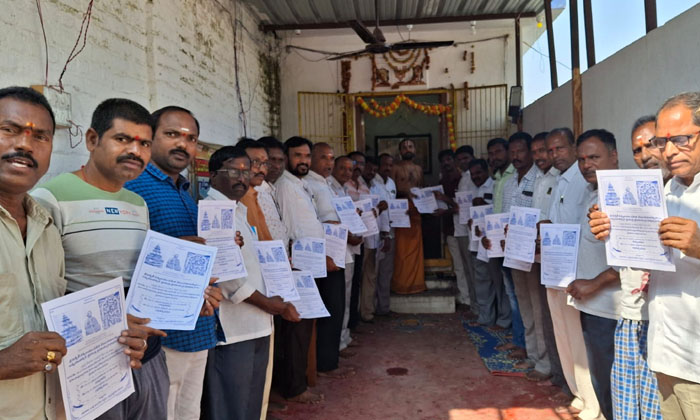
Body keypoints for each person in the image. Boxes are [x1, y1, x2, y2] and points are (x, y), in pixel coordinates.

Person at [33, 98, 200, 419]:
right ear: (93, 139)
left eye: (144, 143)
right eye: (123, 139)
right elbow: (43, 291)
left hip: (145, 352)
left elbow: (140, 277)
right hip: (89, 359)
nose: (135, 152)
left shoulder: (137, 203)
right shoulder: (51, 198)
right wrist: (111, 319)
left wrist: (191, 292)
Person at [590, 93, 700, 419]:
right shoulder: (666, 192)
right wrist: (613, 230)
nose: (667, 151)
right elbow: (644, 257)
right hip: (665, 353)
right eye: (662, 142)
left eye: (680, 139)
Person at [125, 106, 223, 420]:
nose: (183, 144)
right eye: (172, 135)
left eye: (191, 138)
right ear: (150, 138)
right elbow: (124, 258)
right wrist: (177, 249)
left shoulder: (185, 190)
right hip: (161, 336)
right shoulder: (133, 187)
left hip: (200, 326)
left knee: (189, 412)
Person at [201, 145, 300, 420]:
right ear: (213, 175)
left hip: (258, 321)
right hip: (234, 327)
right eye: (234, 170)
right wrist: (270, 304)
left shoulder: (238, 211)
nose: (243, 177)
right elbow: (229, 278)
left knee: (253, 401)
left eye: (247, 171)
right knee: (232, 404)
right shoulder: (212, 210)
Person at [587, 117, 664, 420]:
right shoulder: (626, 194)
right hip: (631, 317)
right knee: (628, 406)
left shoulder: (682, 197)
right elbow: (622, 260)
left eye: (653, 144)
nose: (645, 155)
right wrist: (606, 226)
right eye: (638, 149)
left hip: (663, 322)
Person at [0, 86, 67, 420]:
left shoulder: (48, 228)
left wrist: (115, 334)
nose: (24, 144)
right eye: (8, 130)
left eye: (40, 136)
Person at [543, 128, 601, 420]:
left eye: (560, 149)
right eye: (550, 150)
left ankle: (593, 399)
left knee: (579, 338)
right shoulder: (557, 179)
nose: (555, 155)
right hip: (556, 266)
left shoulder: (584, 180)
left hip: (578, 272)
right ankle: (578, 391)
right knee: (562, 333)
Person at [566, 129, 622, 420]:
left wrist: (595, 283)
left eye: (594, 157)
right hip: (593, 306)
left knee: (613, 386)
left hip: (612, 309)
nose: (586, 164)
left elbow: (634, 258)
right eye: (582, 159)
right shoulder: (592, 193)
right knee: (601, 378)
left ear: (614, 156)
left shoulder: (619, 195)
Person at [273, 136, 324, 404]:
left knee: (303, 327)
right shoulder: (285, 186)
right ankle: (294, 387)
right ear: (286, 156)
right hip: (297, 264)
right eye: (297, 156)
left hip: (309, 263)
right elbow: (291, 230)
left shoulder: (301, 185)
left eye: (306, 156)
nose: (303, 161)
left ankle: (298, 380)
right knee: (296, 327)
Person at [499, 133, 550, 373]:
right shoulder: (510, 183)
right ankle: (531, 354)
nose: (516, 156)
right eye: (513, 152)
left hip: (535, 254)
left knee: (538, 308)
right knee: (524, 305)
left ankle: (543, 361)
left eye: (521, 151)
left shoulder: (542, 179)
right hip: (513, 252)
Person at [307, 142, 354, 378]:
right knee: (327, 309)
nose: (328, 163)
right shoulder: (307, 184)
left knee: (337, 306)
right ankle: (324, 360)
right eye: (323, 157)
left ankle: (333, 353)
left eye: (331, 158)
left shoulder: (328, 186)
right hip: (322, 255)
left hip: (339, 250)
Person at [528, 132, 567, 390]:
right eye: (540, 152)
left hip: (558, 255)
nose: (545, 156)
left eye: (548, 150)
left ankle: (559, 372)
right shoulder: (542, 180)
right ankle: (546, 363)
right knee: (541, 310)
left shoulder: (562, 178)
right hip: (536, 251)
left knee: (559, 317)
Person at [467, 158, 510, 329]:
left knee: (499, 283)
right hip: (477, 243)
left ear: (487, 171)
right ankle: (485, 317)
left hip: (494, 243)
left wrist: (484, 205)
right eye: (472, 174)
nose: (475, 177)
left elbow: (499, 211)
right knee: (482, 283)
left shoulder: (496, 186)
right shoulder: (471, 188)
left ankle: (503, 319)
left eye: (478, 172)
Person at [328, 156, 362, 354]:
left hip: (347, 248)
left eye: (349, 169)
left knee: (347, 294)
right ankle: (339, 342)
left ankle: (345, 336)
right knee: (340, 296)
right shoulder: (328, 187)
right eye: (342, 168)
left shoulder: (343, 189)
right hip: (336, 248)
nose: (346, 172)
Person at [392, 138, 426, 294]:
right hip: (401, 211)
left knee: (416, 249)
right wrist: (404, 193)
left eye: (410, 146)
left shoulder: (419, 169)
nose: (407, 149)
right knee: (402, 249)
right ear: (400, 151)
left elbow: (421, 188)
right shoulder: (395, 168)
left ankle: (416, 284)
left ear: (415, 150)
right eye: (404, 147)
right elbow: (392, 190)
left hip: (416, 210)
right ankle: (401, 285)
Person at [359, 156, 390, 323]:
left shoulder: (378, 187)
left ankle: (367, 312)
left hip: (374, 238)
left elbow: (385, 213)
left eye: (373, 169)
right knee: (358, 277)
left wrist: (386, 234)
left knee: (371, 276)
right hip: (358, 240)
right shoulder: (354, 187)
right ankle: (357, 312)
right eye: (368, 168)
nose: (371, 172)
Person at [344, 151, 370, 329]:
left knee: (356, 281)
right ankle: (349, 326)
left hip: (364, 238)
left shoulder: (363, 184)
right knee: (348, 286)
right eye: (355, 163)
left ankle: (353, 321)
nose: (358, 166)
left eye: (361, 163)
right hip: (347, 241)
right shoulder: (342, 185)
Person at [452, 145, 478, 313]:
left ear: (472, 157)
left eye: (466, 158)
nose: (463, 162)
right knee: (467, 268)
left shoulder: (475, 177)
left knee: (474, 269)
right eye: (460, 159)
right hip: (461, 228)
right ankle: (473, 303)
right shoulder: (463, 177)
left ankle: (476, 304)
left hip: (471, 229)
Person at [374, 153, 397, 316]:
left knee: (386, 272)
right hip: (377, 234)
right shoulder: (372, 184)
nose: (387, 168)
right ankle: (371, 308)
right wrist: (384, 234)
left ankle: (384, 307)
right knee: (372, 273)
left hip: (391, 232)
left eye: (390, 165)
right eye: (384, 165)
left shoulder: (391, 183)